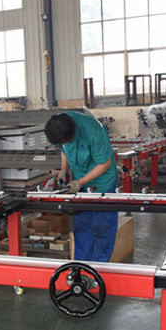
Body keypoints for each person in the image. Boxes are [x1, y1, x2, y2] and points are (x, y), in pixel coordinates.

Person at [44, 111, 118, 262]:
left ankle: (100, 266)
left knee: (102, 227)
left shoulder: (93, 131)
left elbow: (105, 163)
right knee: (82, 225)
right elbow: (64, 149)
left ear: (74, 131)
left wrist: (80, 182)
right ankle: (81, 265)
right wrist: (63, 170)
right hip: (80, 182)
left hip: (102, 181)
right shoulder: (58, 126)